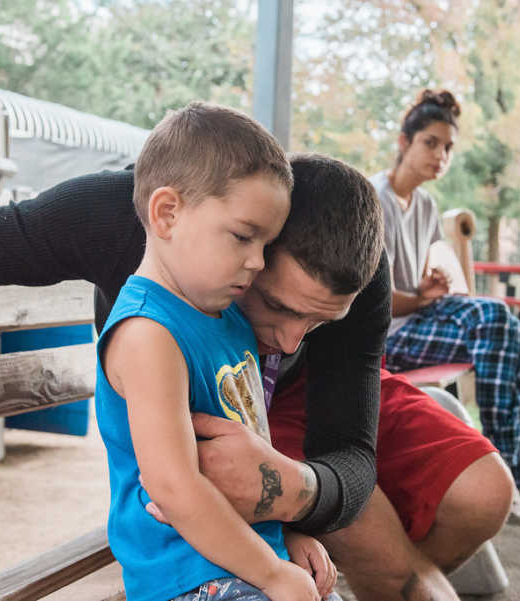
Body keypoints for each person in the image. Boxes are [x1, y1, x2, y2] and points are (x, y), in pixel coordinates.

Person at [0, 111, 513, 601]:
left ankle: (430, 541)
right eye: (275, 303)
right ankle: (417, 559)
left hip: (305, 407)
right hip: (211, 393)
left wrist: (293, 490)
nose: (288, 336)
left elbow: (349, 449)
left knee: (484, 493)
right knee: (391, 569)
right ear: (238, 234)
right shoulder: (127, 223)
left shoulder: (352, 274)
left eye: (319, 319)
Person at [95, 102, 339, 601]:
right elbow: (176, 488)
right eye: (244, 236)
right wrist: (270, 574)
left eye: (266, 244)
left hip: (237, 558)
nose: (256, 262)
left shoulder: (227, 316)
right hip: (187, 577)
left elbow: (250, 462)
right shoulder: (148, 334)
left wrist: (282, 535)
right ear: (168, 213)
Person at [371, 89, 520, 524]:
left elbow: (419, 282)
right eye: (430, 143)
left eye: (447, 147)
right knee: (493, 316)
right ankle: (503, 470)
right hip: (389, 334)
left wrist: (430, 285)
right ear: (404, 142)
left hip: (420, 321)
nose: (440, 155)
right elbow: (372, 299)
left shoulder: (426, 205)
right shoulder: (374, 198)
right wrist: (420, 297)